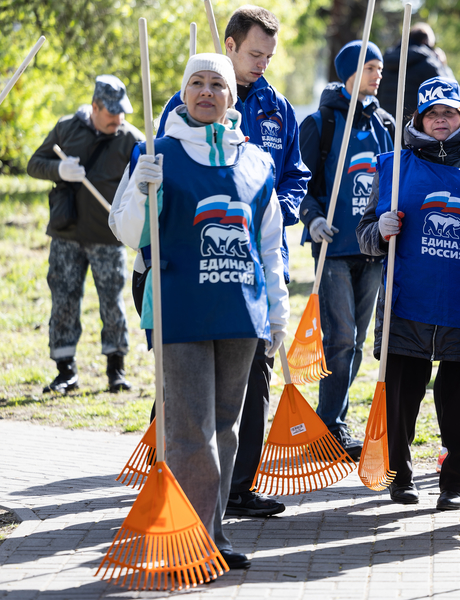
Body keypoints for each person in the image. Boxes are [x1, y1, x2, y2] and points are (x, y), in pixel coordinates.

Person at [110, 53, 290, 571]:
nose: (206, 92)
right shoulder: (156, 153)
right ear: (183, 92)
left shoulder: (256, 160)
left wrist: (277, 313)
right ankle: (186, 540)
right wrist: (142, 191)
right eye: (196, 83)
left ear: (233, 98)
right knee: (190, 431)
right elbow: (126, 233)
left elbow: (270, 244)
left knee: (226, 427)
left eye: (217, 84)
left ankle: (211, 534)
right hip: (180, 310)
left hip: (240, 311)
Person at [154, 5, 310, 519]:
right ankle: (175, 484)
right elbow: (160, 189)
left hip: (257, 265)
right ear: (230, 45)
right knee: (186, 395)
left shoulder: (277, 108)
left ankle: (237, 486)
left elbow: (293, 173)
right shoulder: (191, 104)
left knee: (249, 384)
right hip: (191, 269)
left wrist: (278, 209)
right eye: (254, 53)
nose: (262, 63)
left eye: (269, 55)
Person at [356, 77, 460, 510]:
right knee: (400, 398)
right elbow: (363, 236)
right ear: (418, 119)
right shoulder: (393, 166)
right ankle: (400, 476)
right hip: (407, 304)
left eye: (449, 113)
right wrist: (378, 232)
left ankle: (455, 482)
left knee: (459, 402)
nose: (440, 120)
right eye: (432, 113)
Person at [298, 40, 395, 460]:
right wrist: (312, 217)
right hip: (333, 246)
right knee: (340, 338)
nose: (378, 75)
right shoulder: (320, 123)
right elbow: (300, 182)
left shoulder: (385, 124)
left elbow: (393, 180)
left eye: (379, 67)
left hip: (372, 247)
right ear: (350, 73)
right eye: (371, 68)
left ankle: (331, 418)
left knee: (356, 343)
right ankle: (329, 424)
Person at [28, 75, 143, 395]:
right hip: (67, 233)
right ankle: (66, 371)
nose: (118, 119)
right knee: (63, 300)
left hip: (108, 237)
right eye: (111, 112)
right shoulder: (66, 128)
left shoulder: (131, 139)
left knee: (112, 303)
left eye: (122, 112)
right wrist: (59, 170)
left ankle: (116, 370)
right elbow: (34, 164)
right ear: (94, 107)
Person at [379, 23, 454, 127]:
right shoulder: (428, 63)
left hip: (385, 125)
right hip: (414, 128)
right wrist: (443, 65)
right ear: (425, 42)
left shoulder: (384, 61)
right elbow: (451, 91)